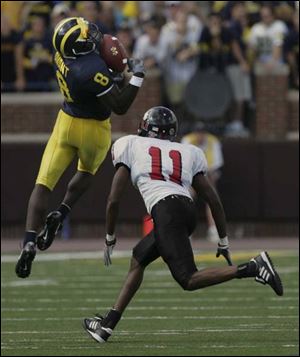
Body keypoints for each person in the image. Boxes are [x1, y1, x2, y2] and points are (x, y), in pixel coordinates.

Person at [82, 106, 283, 344]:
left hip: (166, 212)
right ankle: (107, 326)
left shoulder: (130, 144)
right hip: (185, 210)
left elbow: (113, 199)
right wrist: (223, 239)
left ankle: (253, 267)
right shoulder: (188, 151)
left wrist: (109, 235)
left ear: (146, 128)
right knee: (138, 258)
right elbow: (213, 200)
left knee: (188, 279)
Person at [15, 16, 146, 279]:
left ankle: (29, 240)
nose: (93, 35)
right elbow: (119, 106)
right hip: (94, 130)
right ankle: (61, 212)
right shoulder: (89, 69)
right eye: (87, 35)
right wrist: (136, 76)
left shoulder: (61, 54)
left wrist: (112, 74)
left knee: (43, 183)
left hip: (66, 122)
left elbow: (99, 75)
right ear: (79, 45)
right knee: (85, 172)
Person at [181, 122, 224, 242]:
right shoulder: (187, 140)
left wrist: (206, 181)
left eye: (202, 133)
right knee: (187, 197)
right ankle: (186, 230)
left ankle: (214, 230)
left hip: (208, 175)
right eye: (198, 133)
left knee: (212, 196)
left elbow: (216, 165)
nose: (200, 136)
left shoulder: (213, 141)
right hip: (190, 176)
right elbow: (184, 164)